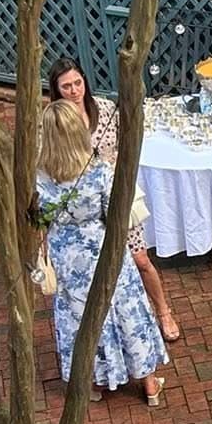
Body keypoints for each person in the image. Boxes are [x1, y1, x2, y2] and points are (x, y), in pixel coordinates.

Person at [36, 99, 168, 405]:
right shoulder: (97, 172)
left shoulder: (40, 176)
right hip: (103, 249)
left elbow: (39, 216)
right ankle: (148, 384)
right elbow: (115, 214)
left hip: (66, 255)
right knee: (126, 308)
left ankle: (92, 382)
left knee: (79, 316)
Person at [49, 56, 182, 343]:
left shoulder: (106, 109)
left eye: (77, 83)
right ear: (56, 90)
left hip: (118, 197)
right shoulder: (55, 122)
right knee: (101, 270)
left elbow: (128, 144)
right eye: (66, 87)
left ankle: (163, 312)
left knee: (141, 259)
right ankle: (113, 330)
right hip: (84, 208)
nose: (74, 91)